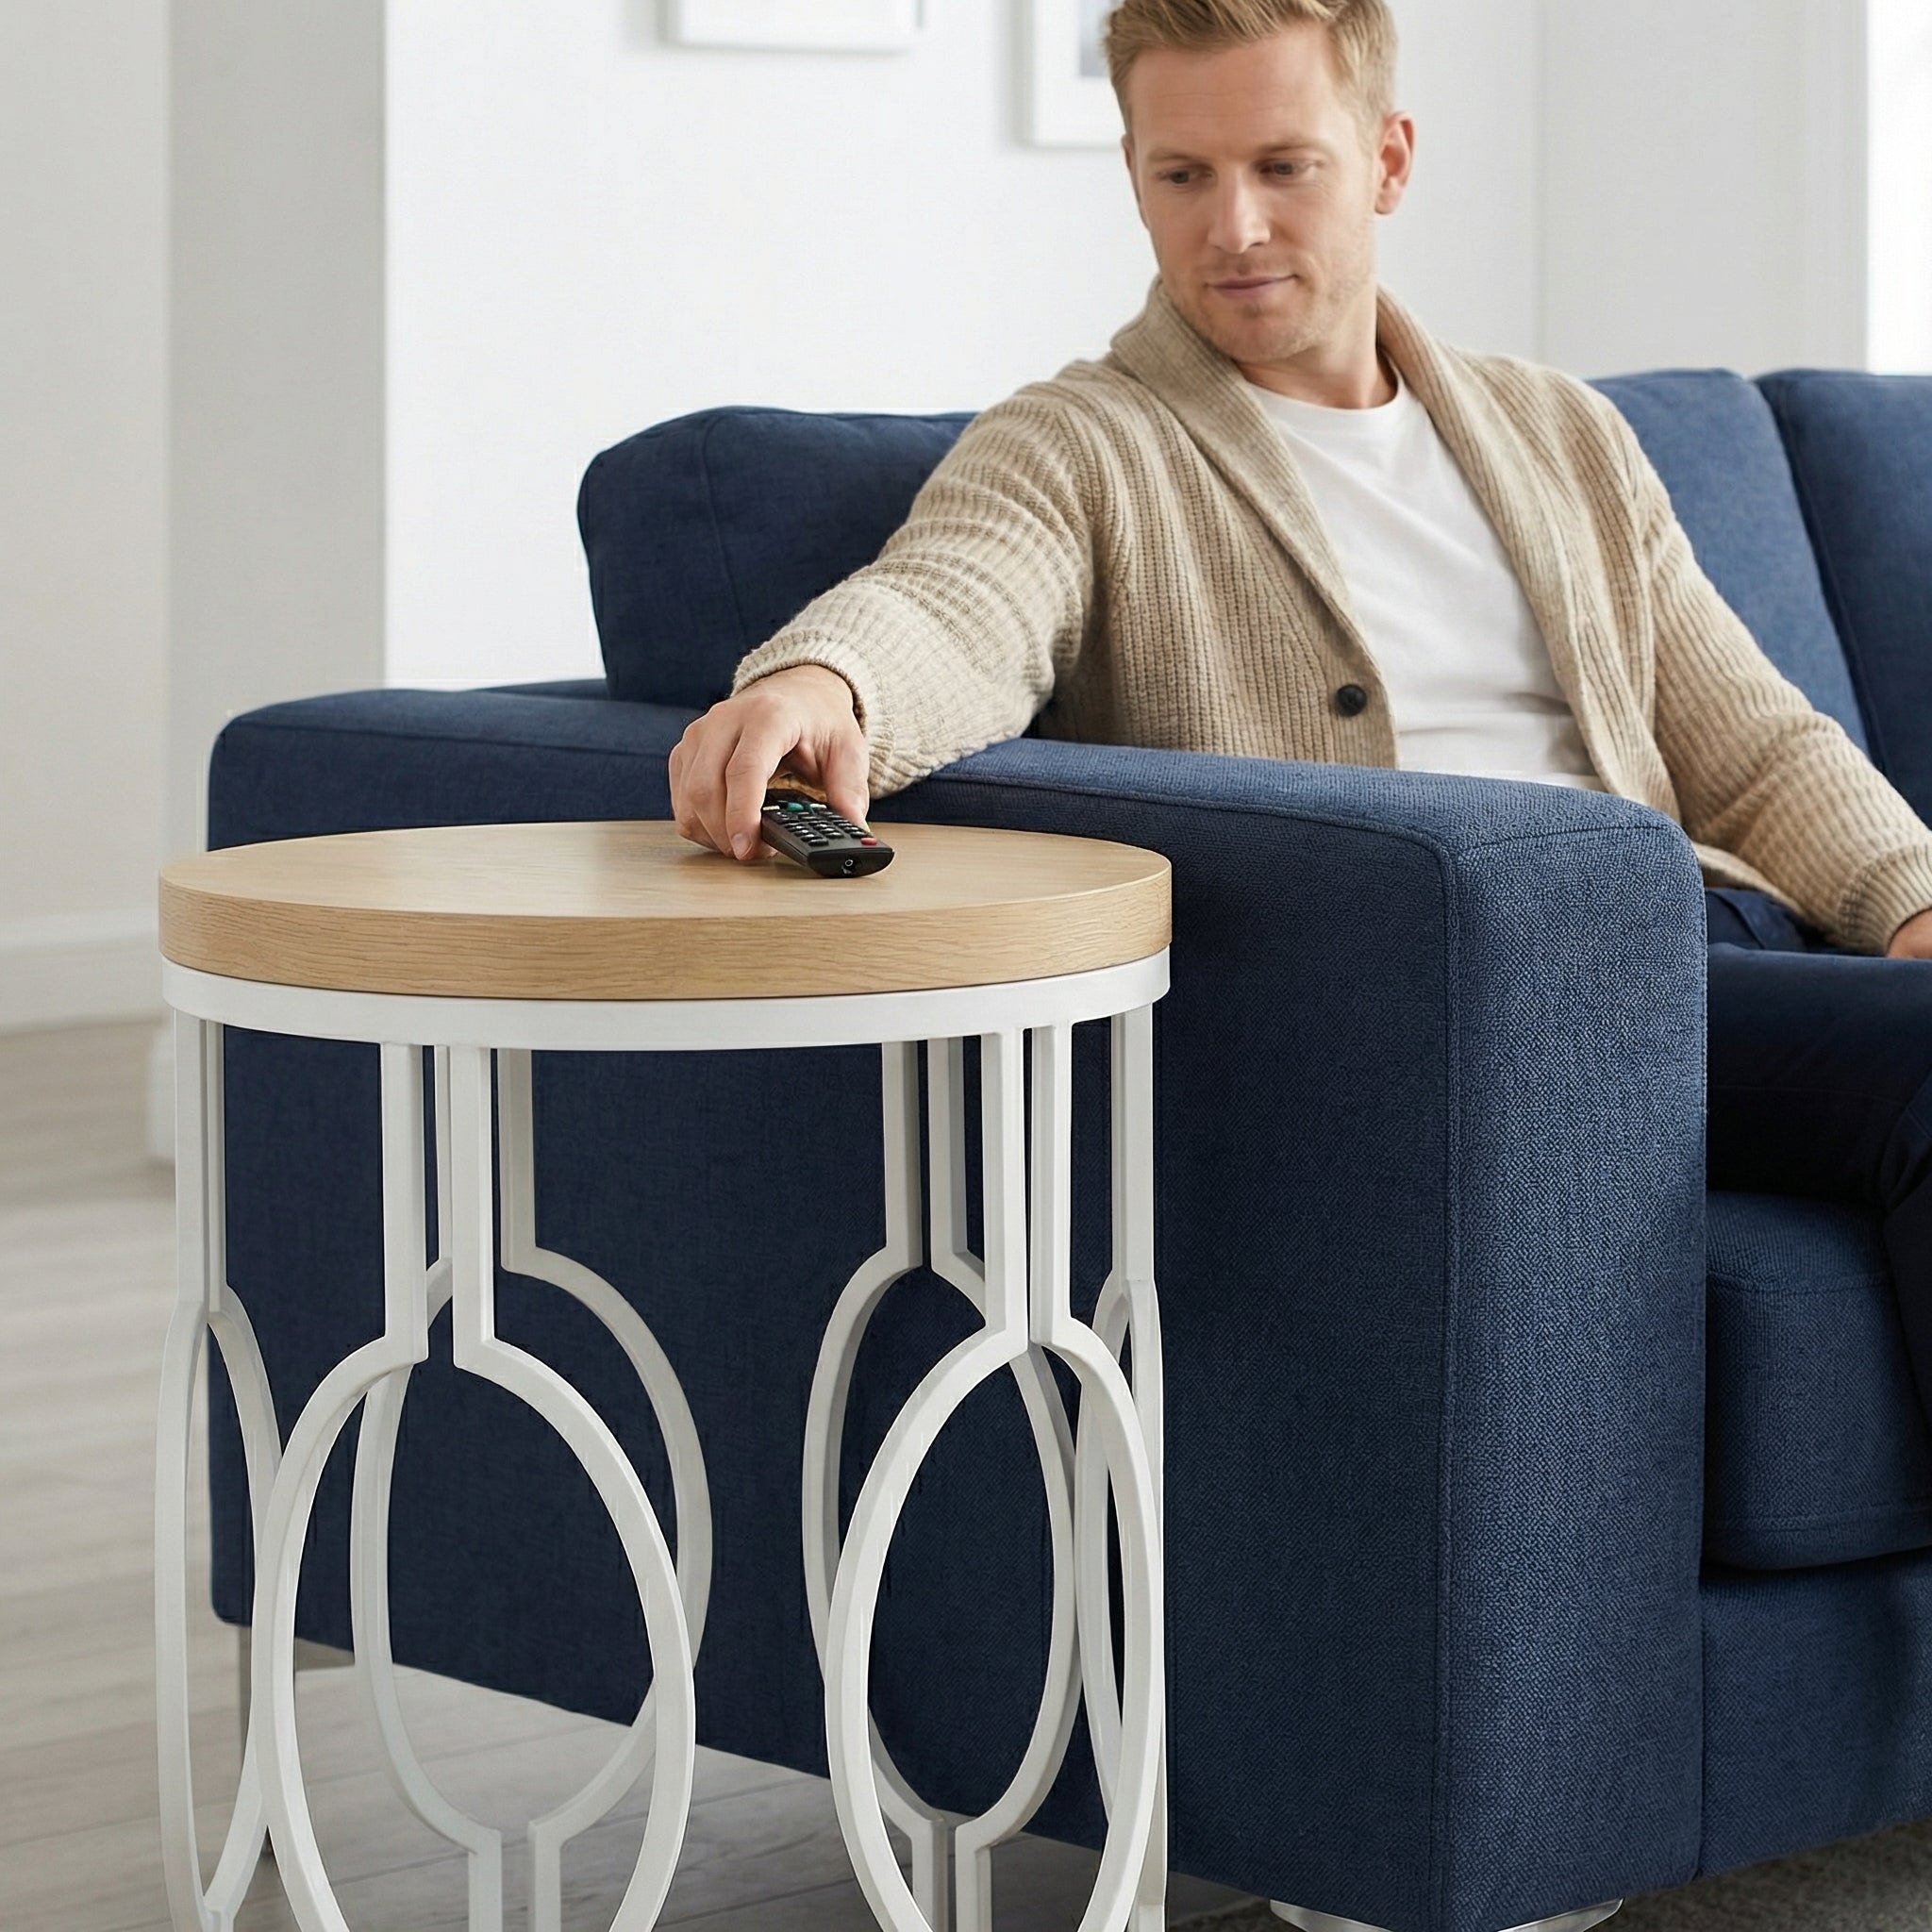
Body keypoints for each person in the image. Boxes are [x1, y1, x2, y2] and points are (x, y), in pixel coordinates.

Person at [667, 0, 1932, 1405]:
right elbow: (958, 596)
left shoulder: (1561, 433)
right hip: (1467, 989)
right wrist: (825, 676)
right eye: (1184, 174)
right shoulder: (1081, 444)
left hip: (1697, 936)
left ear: (1387, 161)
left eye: (1284, 167)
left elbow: (1752, 745)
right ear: (1134, 175)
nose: (1236, 228)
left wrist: (1912, 903)